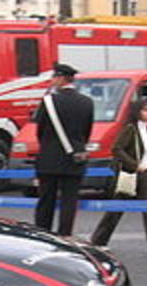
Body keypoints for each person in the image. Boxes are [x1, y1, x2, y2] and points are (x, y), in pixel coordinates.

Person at [90, 100, 147, 255]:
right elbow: (117, 149)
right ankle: (98, 241)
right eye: (145, 110)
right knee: (117, 208)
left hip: (145, 174)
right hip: (130, 174)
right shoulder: (130, 129)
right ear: (137, 112)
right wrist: (134, 165)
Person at [32, 63, 93, 237]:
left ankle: (44, 234)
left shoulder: (49, 101)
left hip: (49, 159)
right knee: (69, 201)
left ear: (60, 78)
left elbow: (40, 130)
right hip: (75, 157)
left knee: (46, 201)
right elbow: (86, 132)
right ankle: (65, 235)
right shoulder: (87, 102)